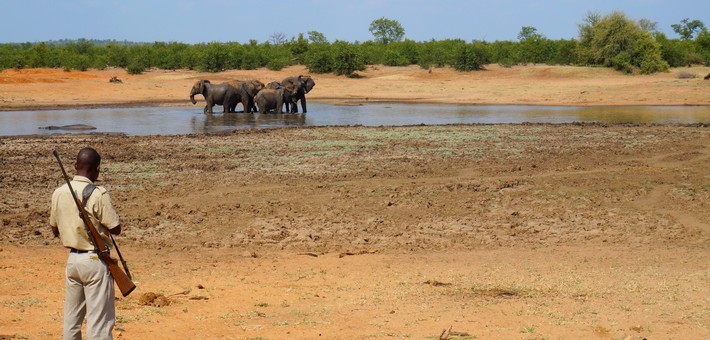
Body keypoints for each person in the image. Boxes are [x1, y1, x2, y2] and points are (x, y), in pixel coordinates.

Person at [50, 147, 121, 340]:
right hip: (95, 262)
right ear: (97, 169)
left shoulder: (59, 193)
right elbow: (116, 228)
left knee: (71, 322)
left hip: (73, 261)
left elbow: (55, 229)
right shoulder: (98, 193)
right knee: (99, 326)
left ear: (75, 166)